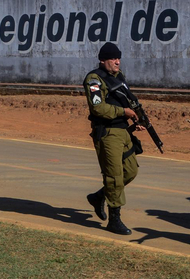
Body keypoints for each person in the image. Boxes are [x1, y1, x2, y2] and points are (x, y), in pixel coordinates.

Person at [83, 42, 145, 235]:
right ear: (103, 60)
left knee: (130, 171)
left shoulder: (119, 77)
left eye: (118, 58)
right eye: (113, 58)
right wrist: (123, 112)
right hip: (107, 133)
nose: (117, 61)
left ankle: (99, 196)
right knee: (114, 176)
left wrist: (135, 117)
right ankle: (114, 219)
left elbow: (126, 100)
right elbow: (98, 108)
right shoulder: (94, 80)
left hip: (124, 131)